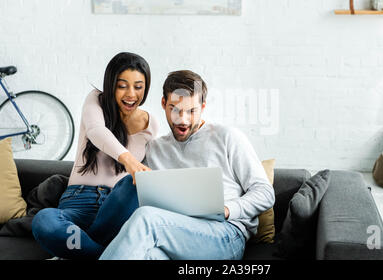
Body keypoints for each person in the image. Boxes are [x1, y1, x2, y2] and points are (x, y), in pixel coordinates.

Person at [100, 70, 275, 260]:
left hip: (225, 235)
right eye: (175, 109)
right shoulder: (154, 149)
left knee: (146, 219)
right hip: (175, 234)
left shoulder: (227, 137)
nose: (182, 120)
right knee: (149, 255)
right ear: (163, 104)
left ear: (203, 107)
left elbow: (265, 193)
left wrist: (227, 209)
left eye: (192, 111)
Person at [31, 52, 158, 259]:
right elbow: (96, 131)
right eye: (122, 85)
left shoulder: (150, 123)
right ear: (111, 85)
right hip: (78, 203)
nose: (131, 94)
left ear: (146, 87)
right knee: (44, 220)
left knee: (136, 184)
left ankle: (81, 251)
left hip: (116, 208)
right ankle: (103, 253)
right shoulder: (96, 100)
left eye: (138, 86)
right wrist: (129, 160)